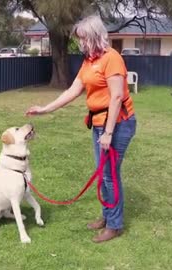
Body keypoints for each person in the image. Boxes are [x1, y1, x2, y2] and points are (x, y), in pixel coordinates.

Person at [25, 15, 136, 243]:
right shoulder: (89, 61)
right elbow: (72, 91)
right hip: (98, 124)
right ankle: (107, 217)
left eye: (83, 38)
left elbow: (116, 97)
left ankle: (115, 225)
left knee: (110, 176)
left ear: (94, 36)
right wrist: (45, 109)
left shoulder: (111, 58)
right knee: (103, 175)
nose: (80, 43)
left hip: (117, 124)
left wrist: (108, 133)